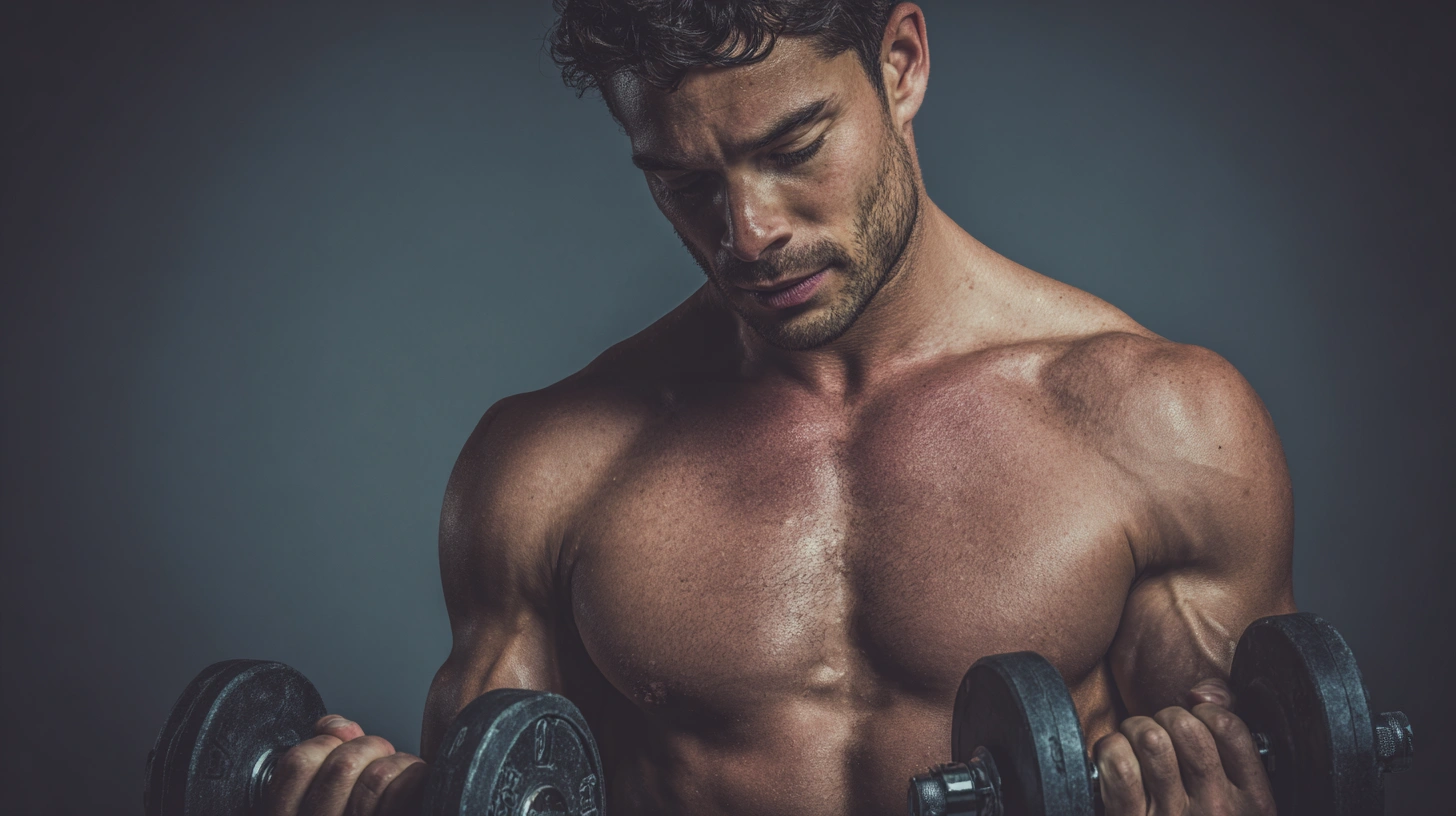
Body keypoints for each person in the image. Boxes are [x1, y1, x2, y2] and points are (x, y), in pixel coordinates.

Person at [263, 3, 1293, 814]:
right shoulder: (549, 468)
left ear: (900, 64)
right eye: (684, 183)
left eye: (794, 147)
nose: (747, 234)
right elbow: (493, 787)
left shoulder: (1158, 428)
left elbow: (1250, 775)